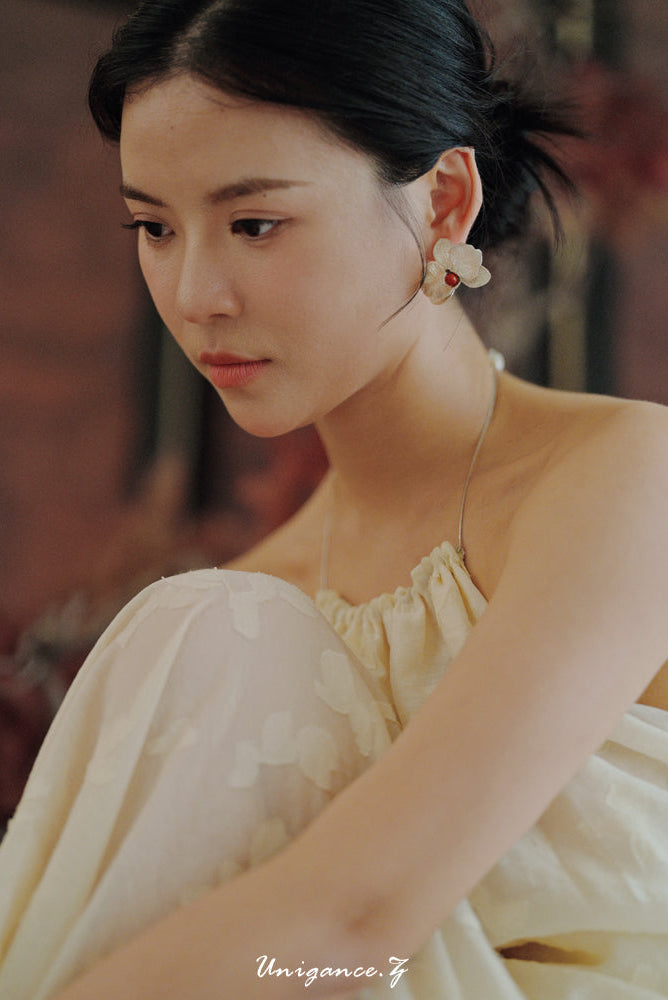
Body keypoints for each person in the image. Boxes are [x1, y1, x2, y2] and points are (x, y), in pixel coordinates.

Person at [2, 0, 668, 997]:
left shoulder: (621, 479)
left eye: (254, 223)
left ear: (444, 204)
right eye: (153, 227)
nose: (194, 294)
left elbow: (353, 929)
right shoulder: (249, 603)